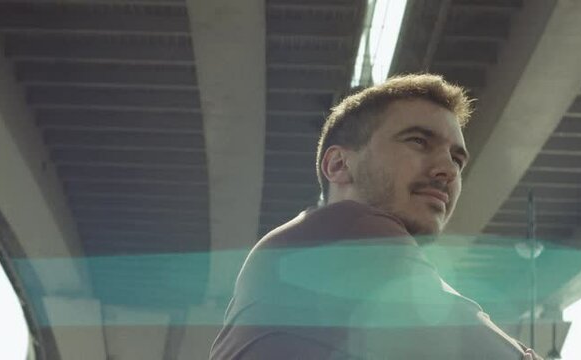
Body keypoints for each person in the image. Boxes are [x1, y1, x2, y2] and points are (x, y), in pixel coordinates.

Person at [210, 74, 542, 359]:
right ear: (339, 165)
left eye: (457, 159)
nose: (448, 170)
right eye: (418, 141)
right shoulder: (342, 228)